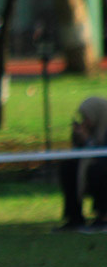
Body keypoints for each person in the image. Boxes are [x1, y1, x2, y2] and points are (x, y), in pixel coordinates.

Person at [57, 96, 107, 232]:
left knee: (98, 170)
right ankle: (74, 217)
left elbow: (101, 156)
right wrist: (78, 138)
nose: (84, 122)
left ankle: (103, 216)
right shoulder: (89, 129)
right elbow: (78, 155)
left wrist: (88, 141)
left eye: (87, 117)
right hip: (93, 168)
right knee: (68, 167)